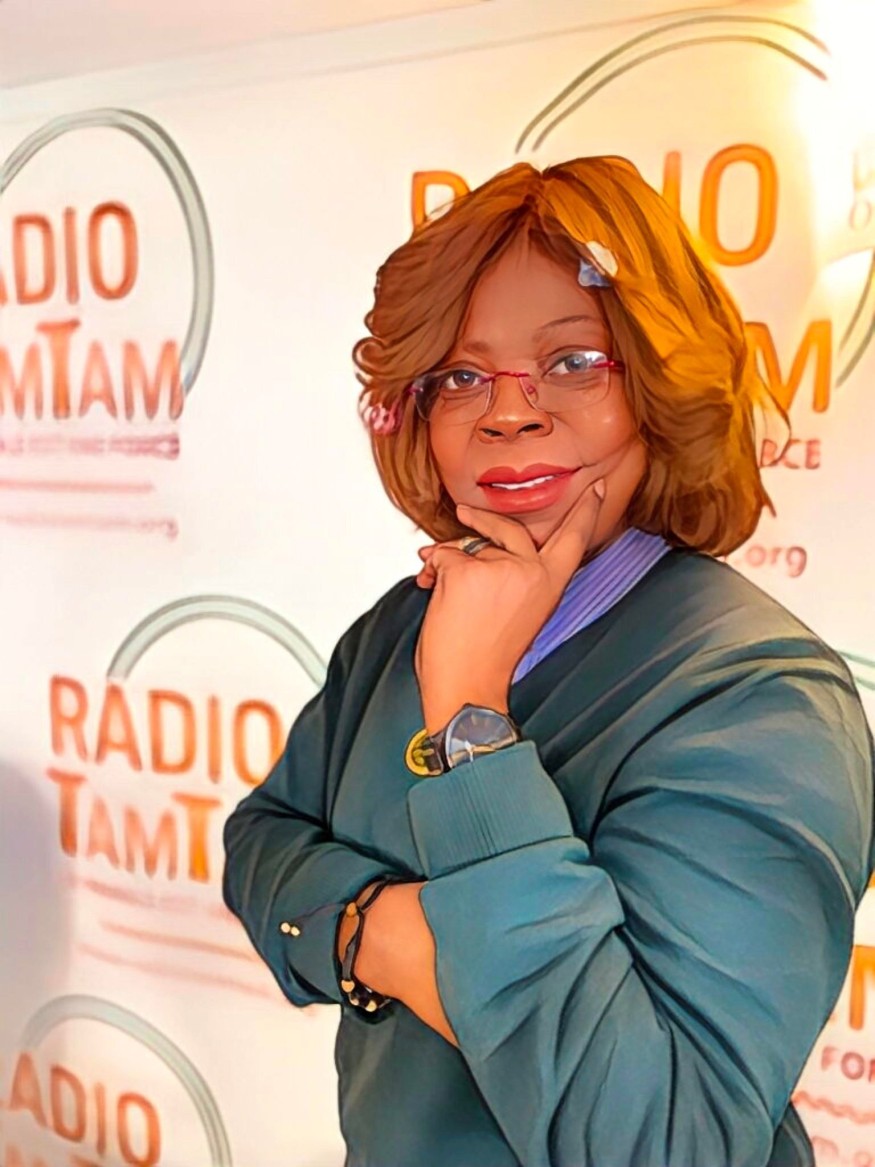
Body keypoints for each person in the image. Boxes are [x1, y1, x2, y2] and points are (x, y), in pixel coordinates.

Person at [222, 156, 875, 1167]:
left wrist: (469, 721)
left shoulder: (760, 699)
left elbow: (659, 1143)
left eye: (572, 361)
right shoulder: (400, 627)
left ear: (657, 387)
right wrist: (387, 934)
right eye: (459, 376)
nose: (508, 413)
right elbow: (262, 842)